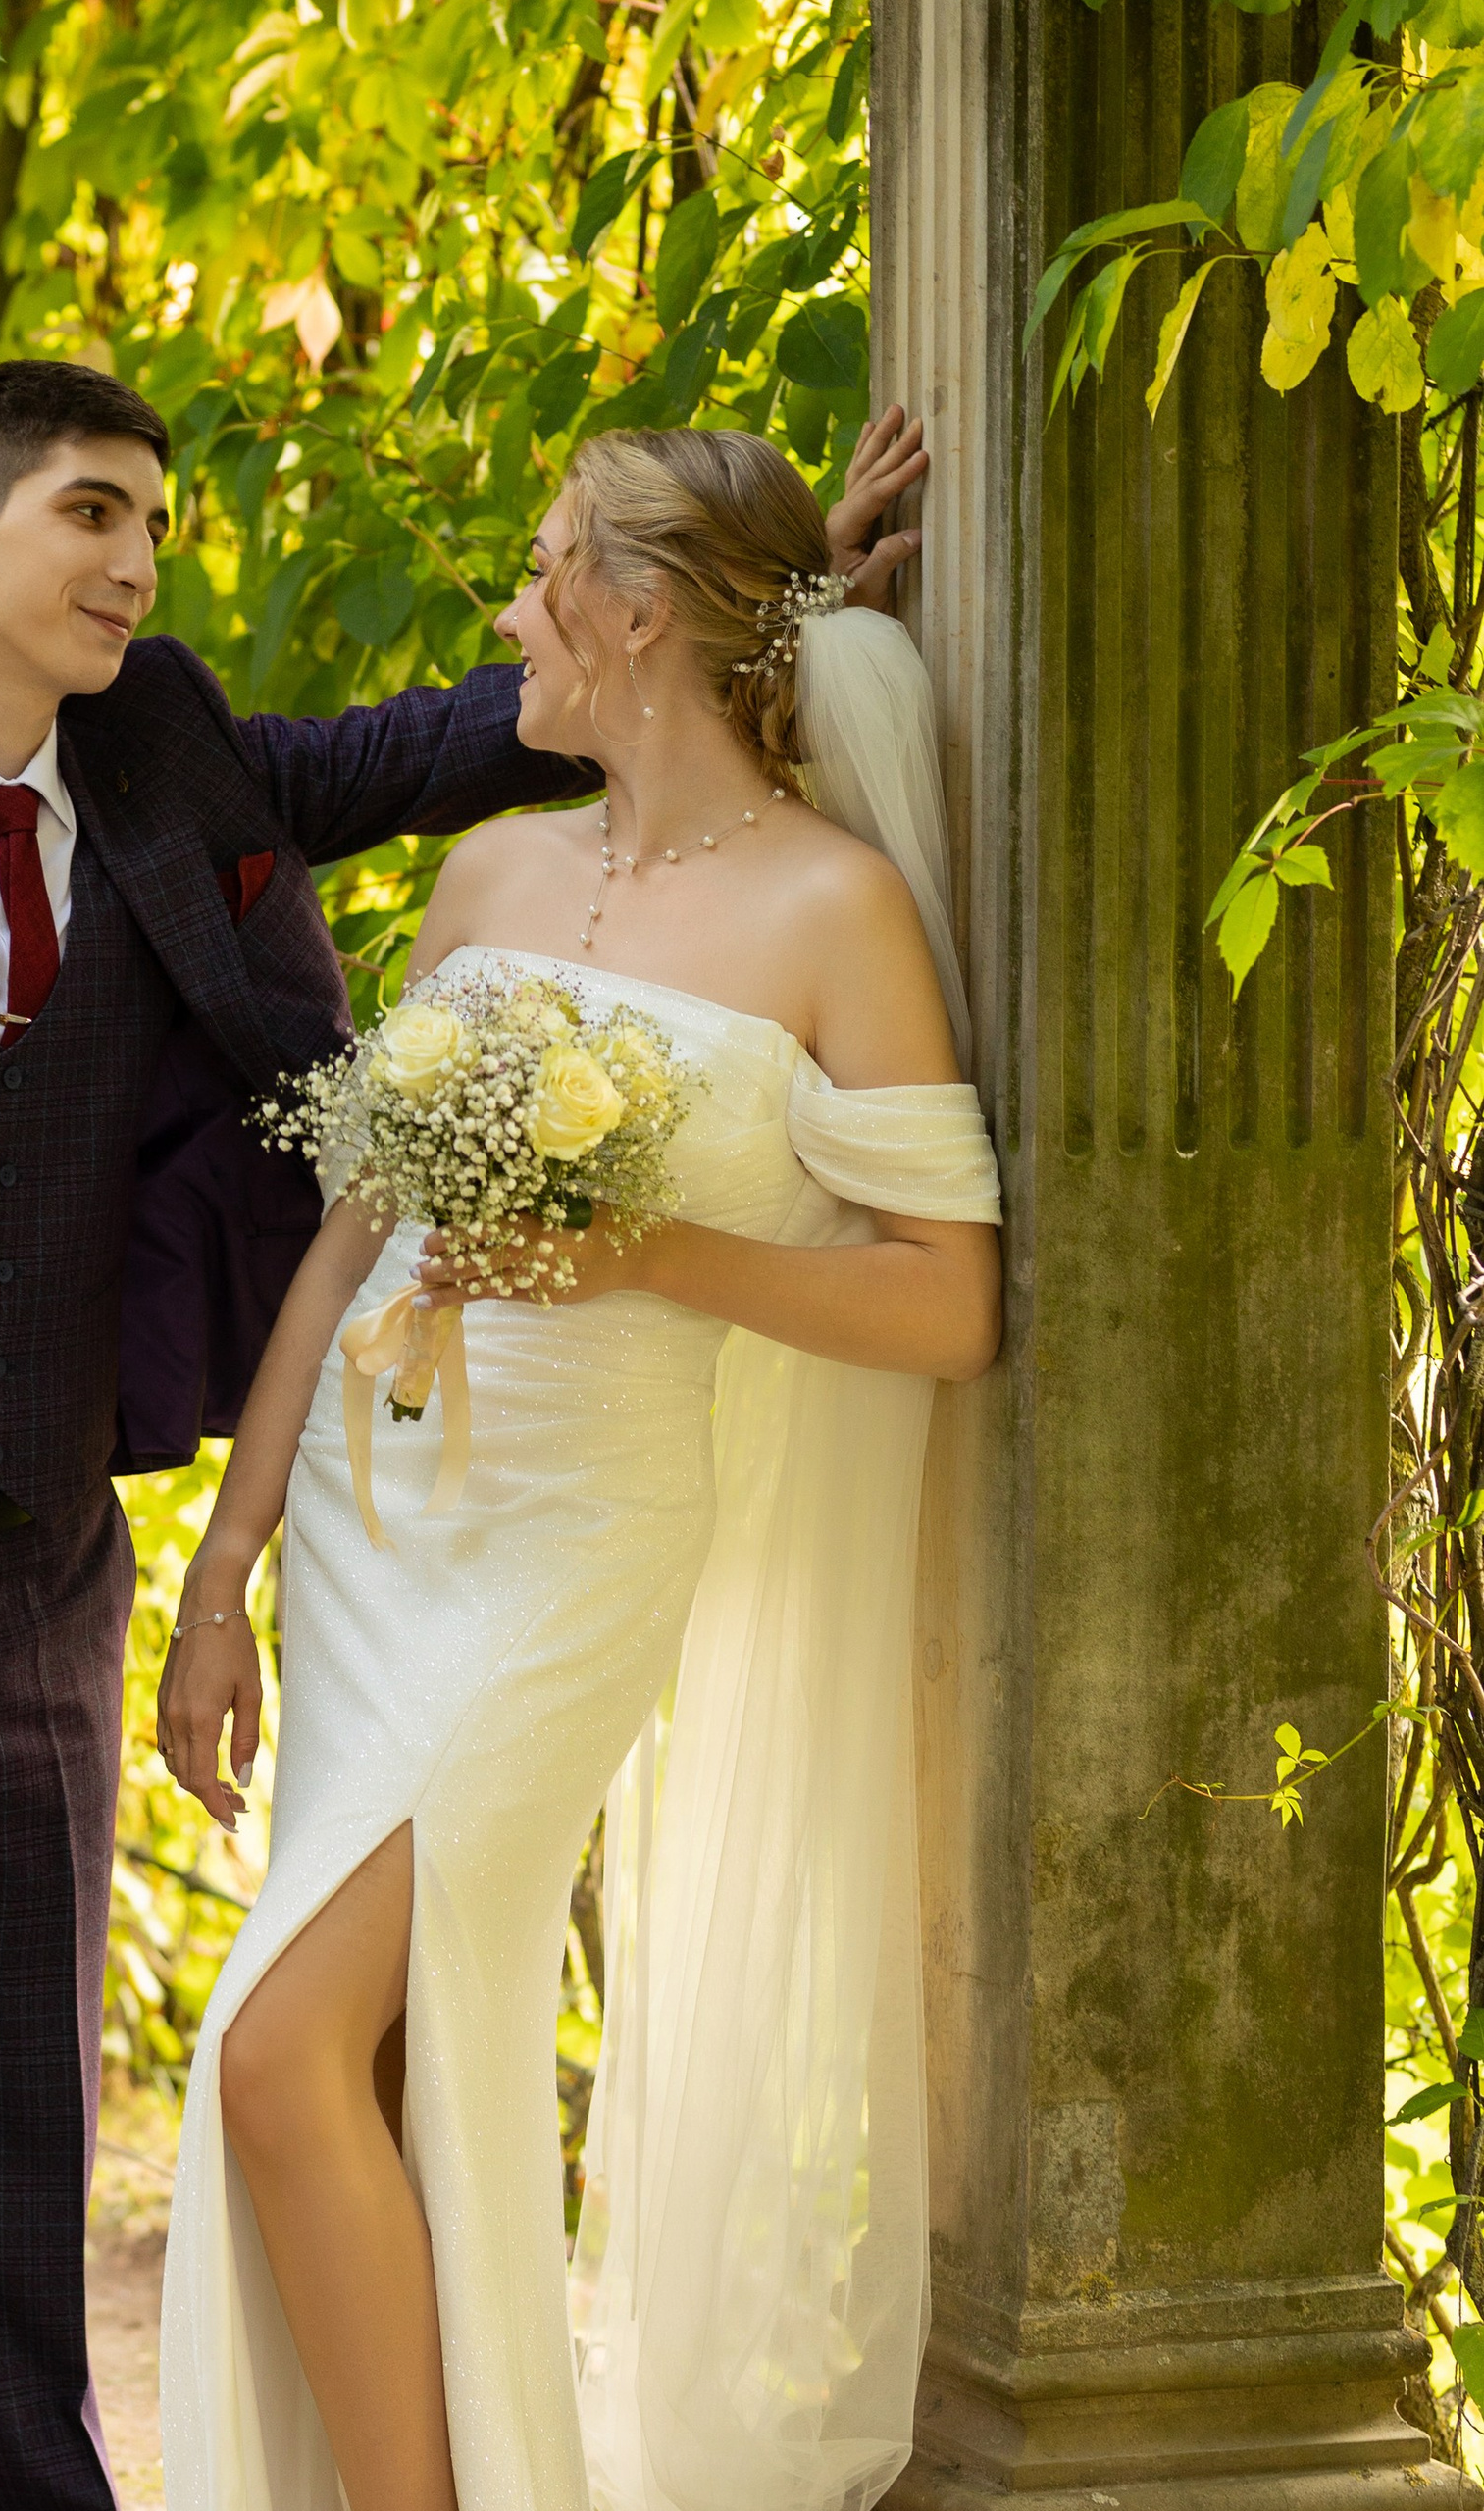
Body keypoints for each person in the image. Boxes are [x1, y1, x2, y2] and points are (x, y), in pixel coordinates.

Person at [0, 350, 920, 2510]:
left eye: (150, 526)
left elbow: (406, 748)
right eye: (90, 513)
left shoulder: (161, 745)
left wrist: (787, 618)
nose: (133, 559)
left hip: (37, 1562)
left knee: (26, 2109)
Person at [154, 425, 1001, 2511]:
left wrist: (649, 1249)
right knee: (358, 2054)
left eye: (542, 575)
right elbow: (348, 1231)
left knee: (270, 2051)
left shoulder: (833, 906)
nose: (510, 615)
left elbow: (948, 1297)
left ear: (637, 614)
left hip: (578, 1540)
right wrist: (223, 1554)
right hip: (373, 1515)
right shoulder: (491, 875)